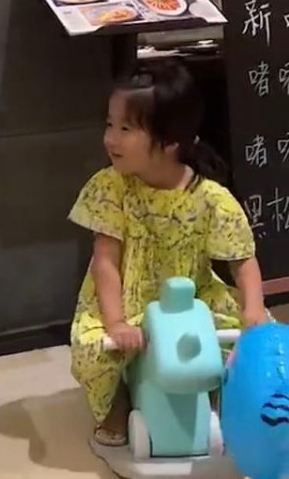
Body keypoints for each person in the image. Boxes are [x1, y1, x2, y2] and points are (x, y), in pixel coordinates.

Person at [67, 60, 269, 447]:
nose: (111, 139)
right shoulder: (111, 187)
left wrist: (254, 308)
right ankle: (117, 398)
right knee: (92, 349)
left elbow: (242, 259)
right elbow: (106, 261)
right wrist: (116, 322)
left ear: (170, 140)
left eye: (126, 129)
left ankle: (220, 390)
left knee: (247, 340)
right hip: (126, 297)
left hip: (192, 298)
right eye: (110, 125)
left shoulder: (209, 197)